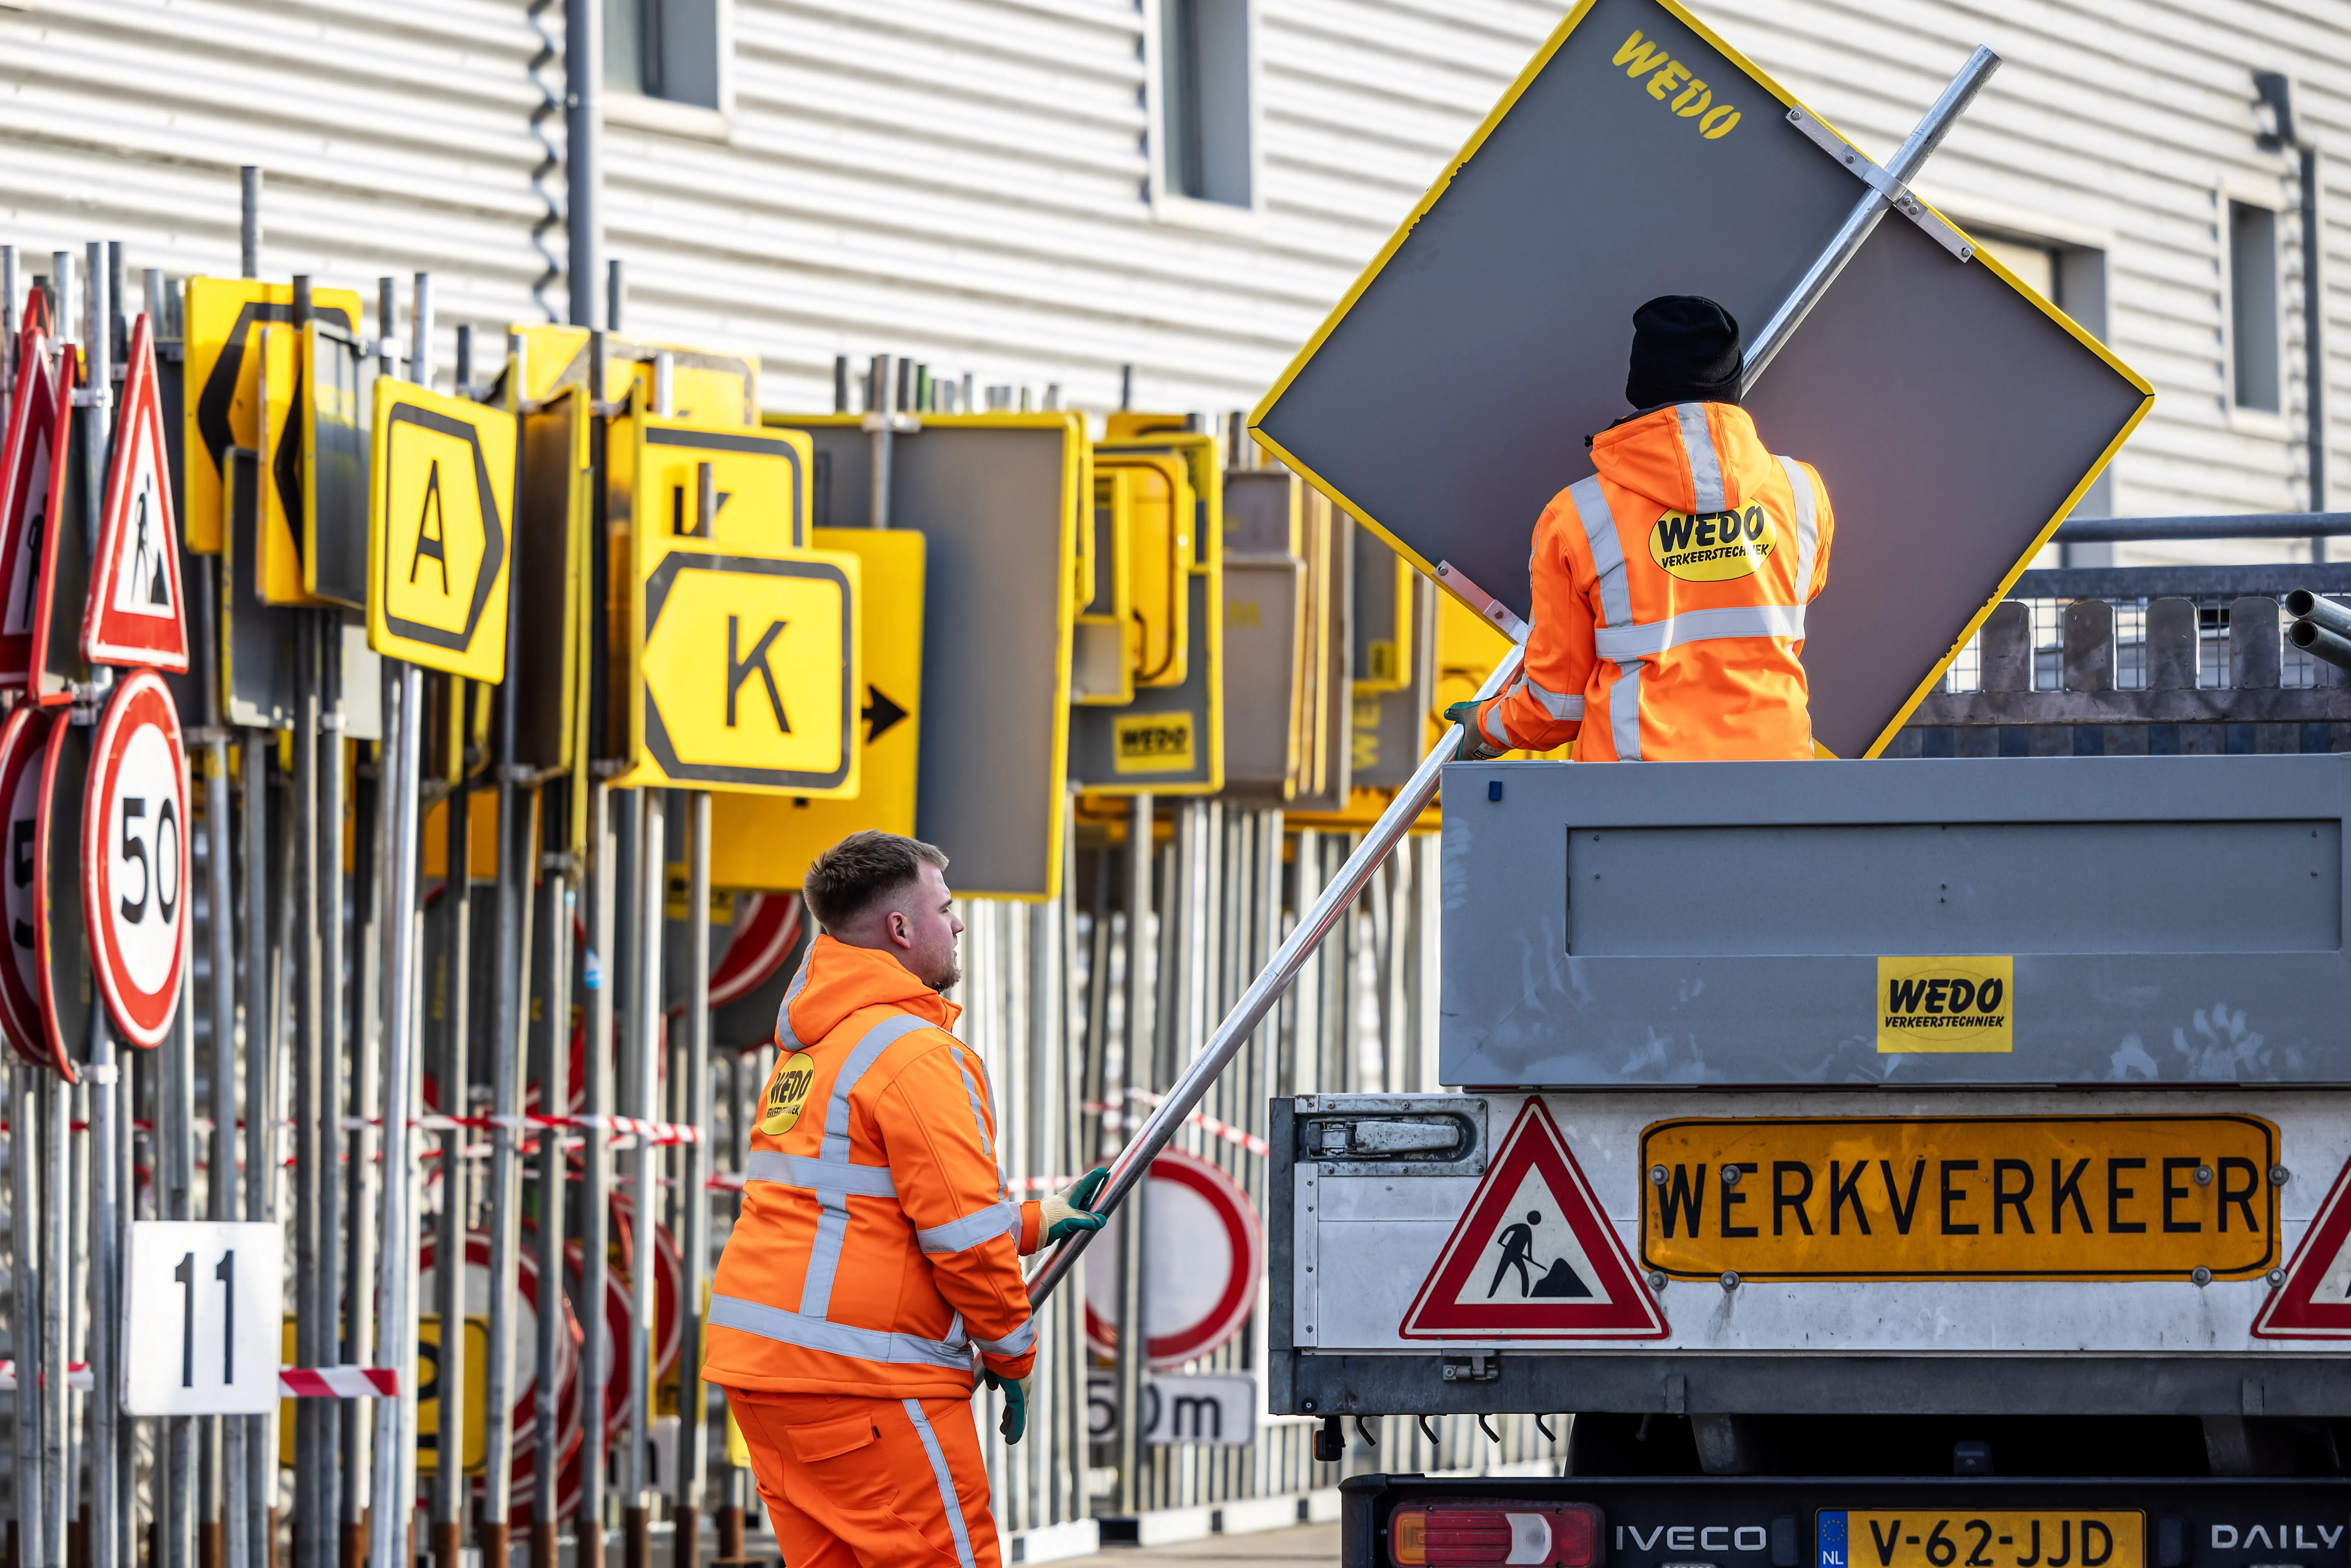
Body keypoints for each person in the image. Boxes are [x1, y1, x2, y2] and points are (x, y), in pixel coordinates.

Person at [706, 830, 1108, 1568]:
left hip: (767, 1375)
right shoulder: (919, 1056)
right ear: (899, 928)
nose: (956, 924)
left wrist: (1032, 1222)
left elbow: (857, 1210)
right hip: (867, 1386)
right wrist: (1012, 1353)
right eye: (945, 907)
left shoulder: (814, 1051)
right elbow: (957, 1240)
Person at [1446, 295, 1834, 762]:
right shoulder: (1802, 491)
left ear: (1639, 387)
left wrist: (1485, 725)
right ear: (1733, 384)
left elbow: (1558, 707)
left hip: (1632, 797)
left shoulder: (1576, 515)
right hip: (1779, 782)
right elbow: (1794, 602)